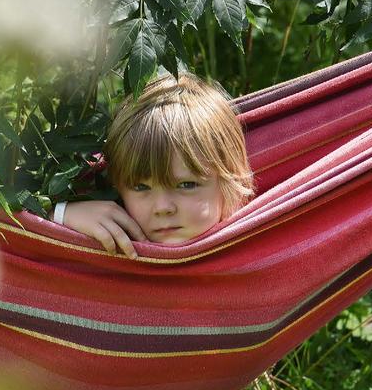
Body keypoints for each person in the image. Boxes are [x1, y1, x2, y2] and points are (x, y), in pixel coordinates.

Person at [52, 73, 254, 257]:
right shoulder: (113, 245)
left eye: (186, 184)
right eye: (141, 187)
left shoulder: (256, 252)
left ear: (230, 181)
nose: (163, 208)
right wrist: (60, 216)